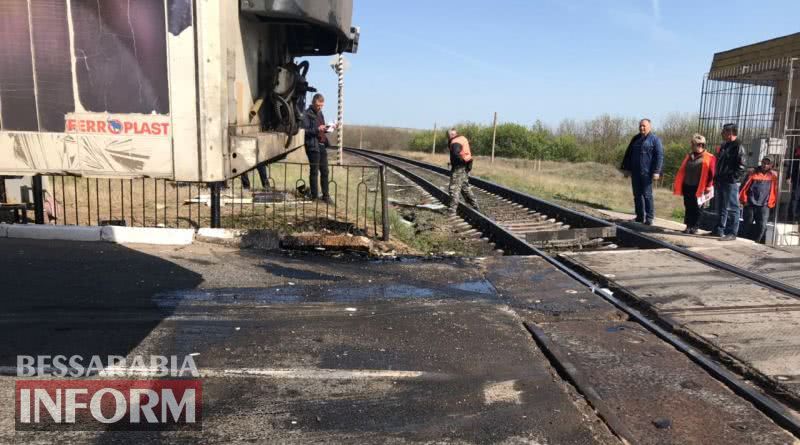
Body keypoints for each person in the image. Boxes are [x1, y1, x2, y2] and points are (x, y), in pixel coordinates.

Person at [620, 119, 664, 225]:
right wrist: (626, 168)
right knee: (637, 195)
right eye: (640, 126)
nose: (641, 128)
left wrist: (657, 171)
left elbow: (659, 156)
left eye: (644, 126)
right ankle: (639, 216)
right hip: (635, 172)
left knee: (647, 195)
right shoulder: (635, 139)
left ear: (649, 127)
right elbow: (628, 154)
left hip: (647, 173)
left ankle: (649, 218)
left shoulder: (655, 140)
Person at [672, 134, 716, 234]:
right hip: (687, 185)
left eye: (693, 144)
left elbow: (712, 173)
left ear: (700, 145)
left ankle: (695, 227)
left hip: (699, 187)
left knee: (697, 207)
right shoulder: (689, 156)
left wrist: (709, 186)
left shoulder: (710, 157)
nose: (691, 145)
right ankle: (688, 226)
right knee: (688, 206)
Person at [713, 123, 747, 241]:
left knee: (732, 207)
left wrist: (733, 178)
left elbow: (742, 166)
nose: (722, 133)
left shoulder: (738, 146)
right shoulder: (724, 145)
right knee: (720, 206)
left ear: (730, 133)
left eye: (724, 131)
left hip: (731, 182)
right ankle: (718, 229)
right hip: (721, 180)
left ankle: (732, 232)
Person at [301, 94, 333, 204]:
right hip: (312, 146)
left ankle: (326, 196)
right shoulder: (306, 114)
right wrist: (317, 129)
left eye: (322, 106)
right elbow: (304, 131)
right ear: (313, 102)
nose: (320, 108)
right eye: (318, 105)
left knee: (325, 171)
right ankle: (314, 196)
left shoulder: (320, 113)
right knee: (314, 171)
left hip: (322, 144)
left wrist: (328, 128)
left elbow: (321, 129)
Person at [739, 157, 778, 243]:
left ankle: (757, 242)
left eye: (768, 163)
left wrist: (771, 202)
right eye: (764, 163)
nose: (765, 165)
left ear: (771, 165)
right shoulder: (752, 173)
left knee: (762, 226)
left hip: (764, 205)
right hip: (750, 204)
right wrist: (744, 200)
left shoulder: (773, 176)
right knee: (747, 224)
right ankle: (743, 241)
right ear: (761, 163)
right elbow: (743, 187)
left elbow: (775, 190)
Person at [447, 128, 480, 215]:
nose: (450, 136)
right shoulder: (462, 139)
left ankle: (452, 211)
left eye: (450, 134)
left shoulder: (455, 142)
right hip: (465, 166)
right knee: (464, 187)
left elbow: (455, 154)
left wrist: (457, 162)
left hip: (459, 167)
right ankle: (475, 206)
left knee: (453, 188)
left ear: (451, 135)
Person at [787, 145, 800, 223]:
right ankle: (792, 217)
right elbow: (792, 163)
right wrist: (789, 176)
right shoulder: (798, 149)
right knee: (795, 197)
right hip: (797, 177)